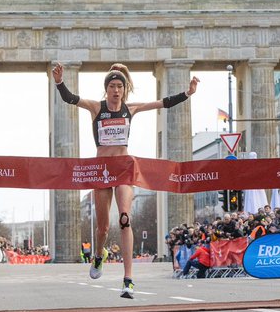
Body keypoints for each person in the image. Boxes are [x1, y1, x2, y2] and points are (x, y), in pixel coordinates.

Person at [52, 61, 199, 299]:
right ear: (106, 89)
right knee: (102, 228)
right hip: (102, 169)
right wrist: (59, 82)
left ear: (124, 89)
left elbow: (162, 103)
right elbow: (70, 98)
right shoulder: (95, 108)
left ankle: (128, 280)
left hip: (123, 168)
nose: (116, 90)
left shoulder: (130, 108)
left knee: (124, 219)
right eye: (112, 86)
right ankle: (99, 255)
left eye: (120, 86)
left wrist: (187, 93)